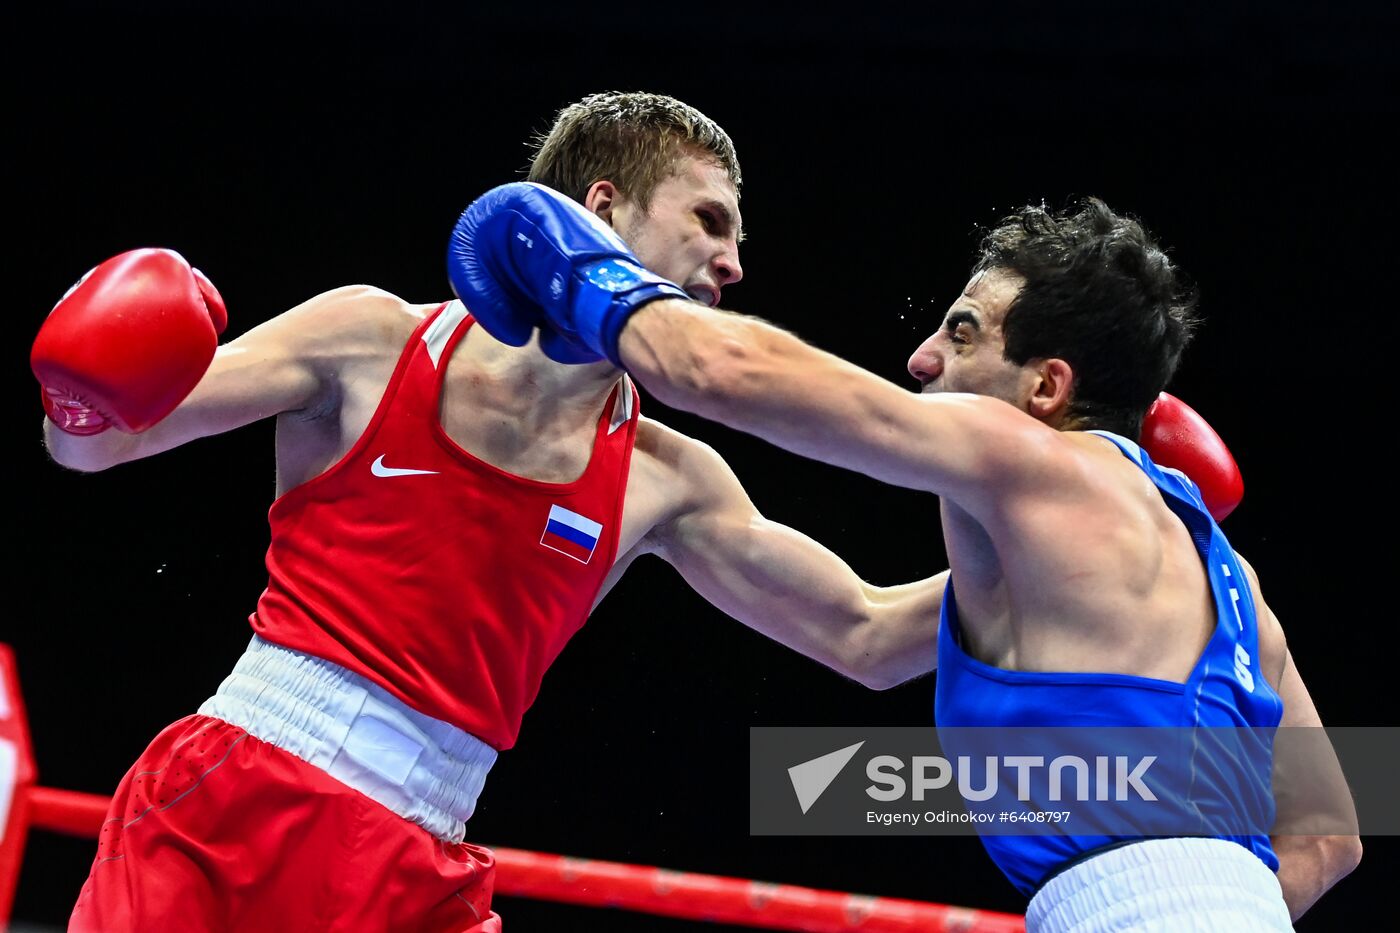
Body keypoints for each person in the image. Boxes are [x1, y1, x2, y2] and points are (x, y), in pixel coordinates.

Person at [31, 92, 944, 932]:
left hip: (421, 863)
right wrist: (82, 388)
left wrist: (1042, 525)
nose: (733, 263)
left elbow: (865, 639)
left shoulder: (668, 478)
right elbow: (98, 443)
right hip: (234, 805)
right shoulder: (369, 340)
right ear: (604, 207)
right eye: (708, 221)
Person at [447, 186, 1363, 929]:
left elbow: (732, 376)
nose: (921, 359)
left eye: (962, 332)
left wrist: (584, 278)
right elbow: (1330, 837)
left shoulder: (1035, 462)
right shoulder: (1230, 585)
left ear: (1047, 387)